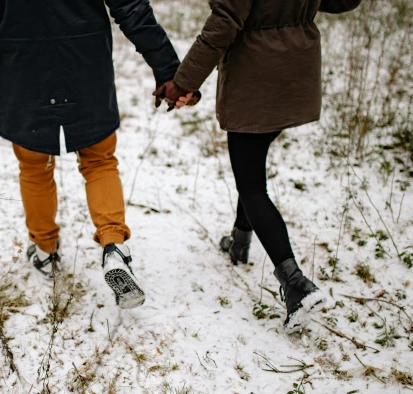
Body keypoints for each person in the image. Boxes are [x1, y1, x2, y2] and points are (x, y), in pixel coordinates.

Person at [0, 0, 191, 309]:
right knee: (100, 161)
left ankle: (45, 250)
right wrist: (167, 70)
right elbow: (132, 7)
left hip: (23, 70)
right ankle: (114, 246)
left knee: (34, 167)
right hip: (86, 65)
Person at [154, 0, 362, 332]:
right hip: (295, 71)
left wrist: (183, 83)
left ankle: (295, 284)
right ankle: (239, 242)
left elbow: (223, 22)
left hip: (256, 78)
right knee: (251, 166)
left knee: (251, 185)